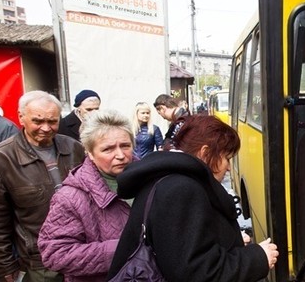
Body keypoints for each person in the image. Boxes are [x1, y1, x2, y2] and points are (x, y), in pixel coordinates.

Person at [107, 115, 279, 281]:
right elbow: (197, 273)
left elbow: (180, 246)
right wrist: (258, 258)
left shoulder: (166, 177)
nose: (228, 168)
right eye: (227, 158)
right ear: (205, 153)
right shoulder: (181, 189)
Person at [0, 90, 85, 282]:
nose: (46, 128)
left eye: (52, 121)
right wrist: (5, 264)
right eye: (38, 121)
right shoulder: (3, 158)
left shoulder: (74, 148)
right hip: (39, 262)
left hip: (80, 252)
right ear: (21, 117)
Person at [38, 109, 136, 282]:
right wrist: (124, 248)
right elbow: (55, 254)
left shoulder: (152, 181)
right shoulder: (70, 198)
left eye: (125, 146)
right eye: (108, 149)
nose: (120, 155)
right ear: (89, 153)